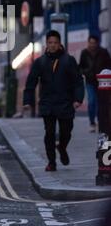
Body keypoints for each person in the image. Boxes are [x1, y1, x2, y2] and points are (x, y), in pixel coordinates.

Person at [23, 30, 84, 172]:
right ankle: (51, 162)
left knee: (66, 132)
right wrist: (27, 101)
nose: (53, 45)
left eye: (55, 42)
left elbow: (78, 82)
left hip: (65, 103)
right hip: (47, 103)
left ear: (60, 44)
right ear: (47, 44)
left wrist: (78, 99)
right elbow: (31, 82)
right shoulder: (40, 62)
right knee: (49, 133)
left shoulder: (68, 60)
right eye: (50, 42)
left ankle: (62, 148)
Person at [79, 35, 111, 132]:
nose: (92, 45)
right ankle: (92, 122)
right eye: (90, 43)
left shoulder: (103, 52)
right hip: (90, 81)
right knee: (92, 101)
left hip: (102, 82)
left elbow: (109, 65)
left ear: (97, 43)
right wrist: (86, 72)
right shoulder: (84, 53)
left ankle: (101, 123)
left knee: (101, 103)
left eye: (94, 43)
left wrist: (104, 73)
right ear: (88, 43)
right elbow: (81, 67)